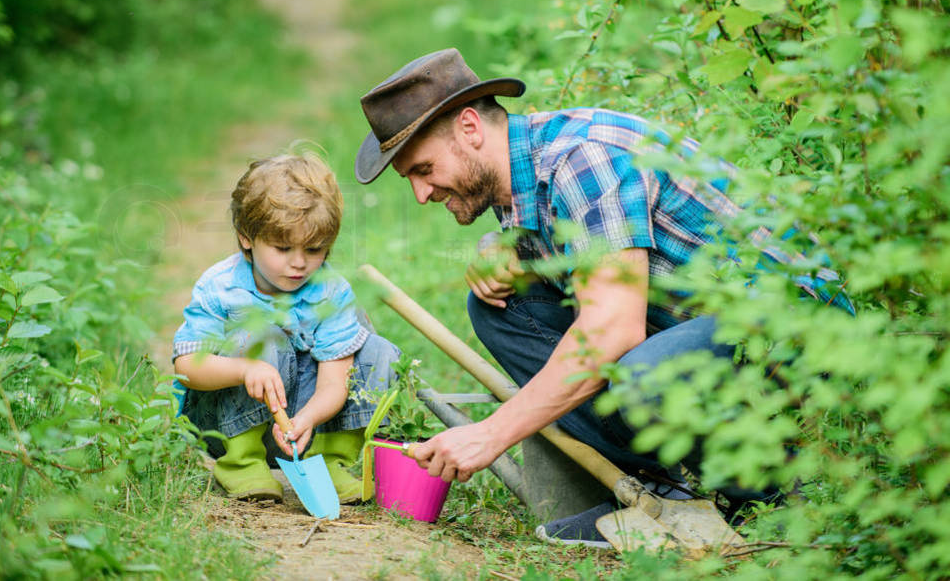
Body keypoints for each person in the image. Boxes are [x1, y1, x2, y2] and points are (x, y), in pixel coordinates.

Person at [354, 48, 852, 546]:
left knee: (642, 372)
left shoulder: (583, 158)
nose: (422, 194)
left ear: (469, 128)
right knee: (503, 307)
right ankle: (661, 489)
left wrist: (490, 433)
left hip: (797, 331)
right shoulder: (521, 175)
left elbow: (612, 328)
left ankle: (775, 499)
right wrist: (497, 244)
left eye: (424, 169)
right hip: (705, 330)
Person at [173, 151, 400, 503]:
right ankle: (241, 464)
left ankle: (329, 462)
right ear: (246, 237)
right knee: (263, 335)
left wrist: (308, 418)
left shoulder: (330, 291)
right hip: (227, 424)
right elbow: (187, 368)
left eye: (314, 249)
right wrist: (245, 368)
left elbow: (334, 379)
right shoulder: (220, 287)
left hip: (301, 430)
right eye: (282, 248)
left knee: (376, 349)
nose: (298, 263)